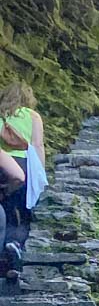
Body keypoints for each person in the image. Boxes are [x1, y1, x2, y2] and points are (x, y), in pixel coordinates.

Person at [0, 82, 45, 280]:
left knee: (7, 212)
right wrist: (40, 174)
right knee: (25, 214)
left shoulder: (1, 115)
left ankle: (7, 253)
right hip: (25, 165)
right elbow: (37, 145)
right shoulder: (33, 116)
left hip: (4, 165)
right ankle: (15, 246)